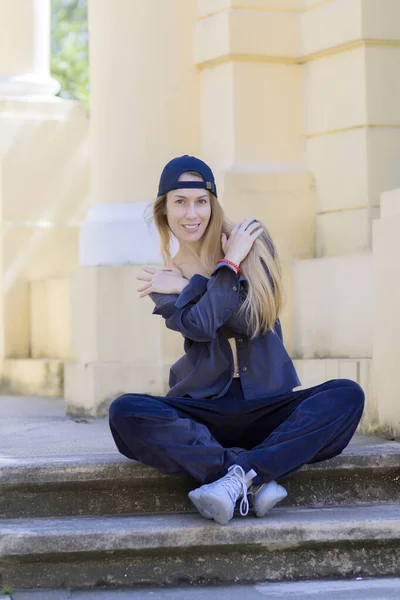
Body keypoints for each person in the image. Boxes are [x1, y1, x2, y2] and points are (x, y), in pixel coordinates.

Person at [109, 155, 365, 526]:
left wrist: (205, 276)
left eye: (200, 201)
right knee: (125, 412)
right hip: (205, 408)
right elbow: (201, 326)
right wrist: (224, 270)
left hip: (267, 403)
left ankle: (231, 474)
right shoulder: (163, 279)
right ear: (163, 211)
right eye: (179, 202)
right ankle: (254, 475)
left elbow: (251, 319)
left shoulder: (251, 242)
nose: (191, 213)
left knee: (346, 395)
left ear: (213, 204)